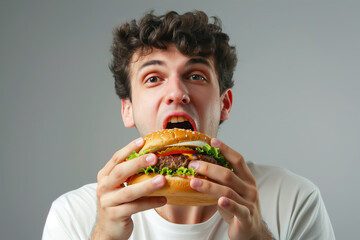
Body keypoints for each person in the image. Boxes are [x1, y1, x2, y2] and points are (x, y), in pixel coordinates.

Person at [42, 10, 335, 240]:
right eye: (153, 78)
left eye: (196, 76)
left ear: (225, 104)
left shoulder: (293, 199)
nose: (176, 93)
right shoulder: (74, 215)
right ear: (127, 109)